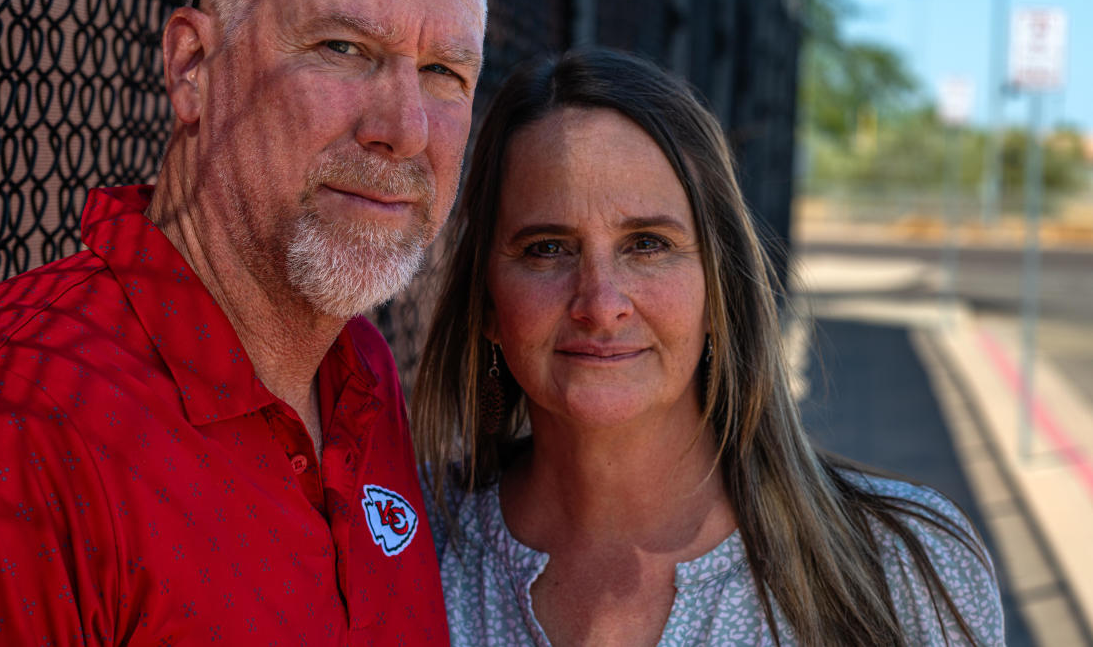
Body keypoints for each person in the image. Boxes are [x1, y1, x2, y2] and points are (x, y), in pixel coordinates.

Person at [0, 0, 488, 644]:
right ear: (193, 66)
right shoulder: (0, 419)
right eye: (343, 48)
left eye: (444, 73)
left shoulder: (361, 374)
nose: (403, 129)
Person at [412, 47, 1004, 646]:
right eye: (546, 248)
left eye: (647, 244)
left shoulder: (906, 566)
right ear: (486, 301)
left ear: (718, 287)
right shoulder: (401, 548)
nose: (600, 302)